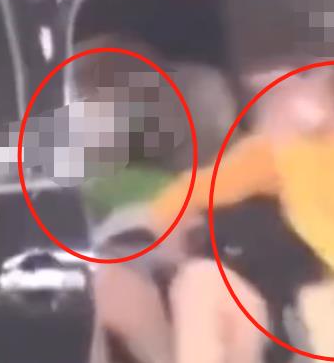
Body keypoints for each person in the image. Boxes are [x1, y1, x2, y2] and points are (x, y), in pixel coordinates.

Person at [151, 60, 334, 362]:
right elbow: (195, 190)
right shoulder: (290, 148)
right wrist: (166, 227)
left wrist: (292, 157)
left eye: (306, 78)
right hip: (304, 312)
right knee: (199, 282)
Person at [75, 33, 270, 363]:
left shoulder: (210, 170)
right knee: (113, 284)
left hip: (192, 259)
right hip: (128, 266)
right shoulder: (89, 178)